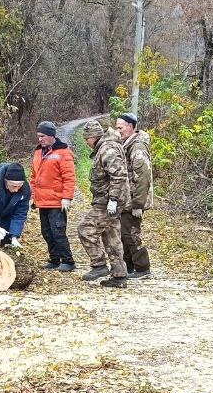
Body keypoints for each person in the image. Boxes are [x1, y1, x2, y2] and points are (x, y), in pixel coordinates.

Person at [76, 120, 129, 289]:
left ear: (93, 136)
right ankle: (119, 276)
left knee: (85, 230)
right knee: (111, 236)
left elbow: (119, 176)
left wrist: (113, 200)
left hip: (108, 201)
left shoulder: (107, 149)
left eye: (87, 139)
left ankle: (98, 265)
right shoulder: (107, 146)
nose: (87, 143)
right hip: (109, 200)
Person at [30, 120, 77, 271]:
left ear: (51, 136)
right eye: (38, 136)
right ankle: (54, 259)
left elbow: (69, 177)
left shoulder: (63, 153)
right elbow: (34, 176)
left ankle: (68, 261)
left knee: (58, 232)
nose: (40, 139)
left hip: (57, 201)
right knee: (46, 232)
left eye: (42, 136)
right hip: (42, 201)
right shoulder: (38, 152)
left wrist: (67, 198)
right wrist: (33, 196)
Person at [115, 113, 154, 279]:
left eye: (120, 127)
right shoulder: (127, 144)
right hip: (126, 200)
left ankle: (142, 268)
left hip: (133, 201)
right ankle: (129, 267)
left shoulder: (137, 147)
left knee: (131, 234)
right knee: (123, 234)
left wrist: (138, 204)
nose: (118, 131)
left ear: (130, 127)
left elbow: (143, 177)